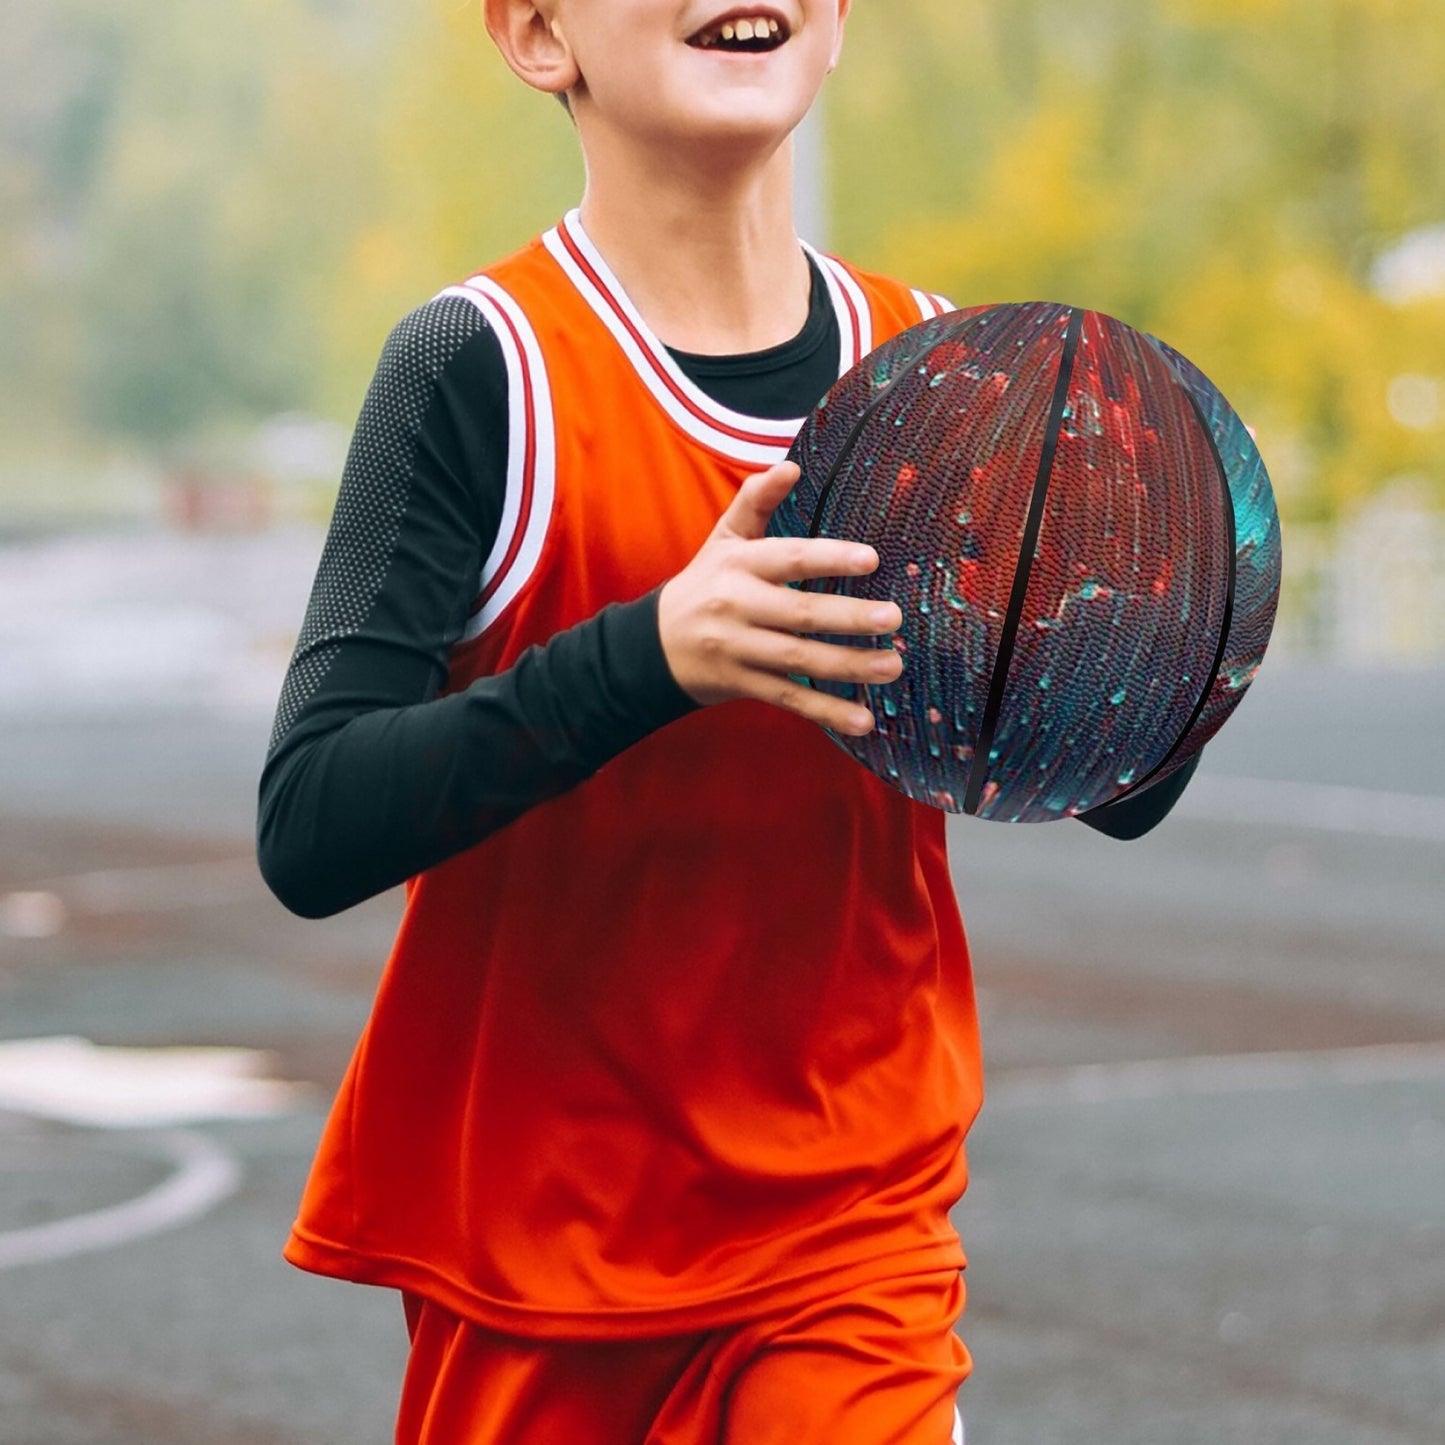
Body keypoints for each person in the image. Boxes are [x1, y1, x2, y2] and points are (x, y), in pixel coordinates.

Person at [257, 2, 1197, 1440]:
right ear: (534, 35)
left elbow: (1114, 783)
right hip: (541, 1241)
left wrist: (1166, 629)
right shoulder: (479, 367)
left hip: (849, 1221)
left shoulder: (946, 381)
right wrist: (651, 654)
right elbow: (310, 822)